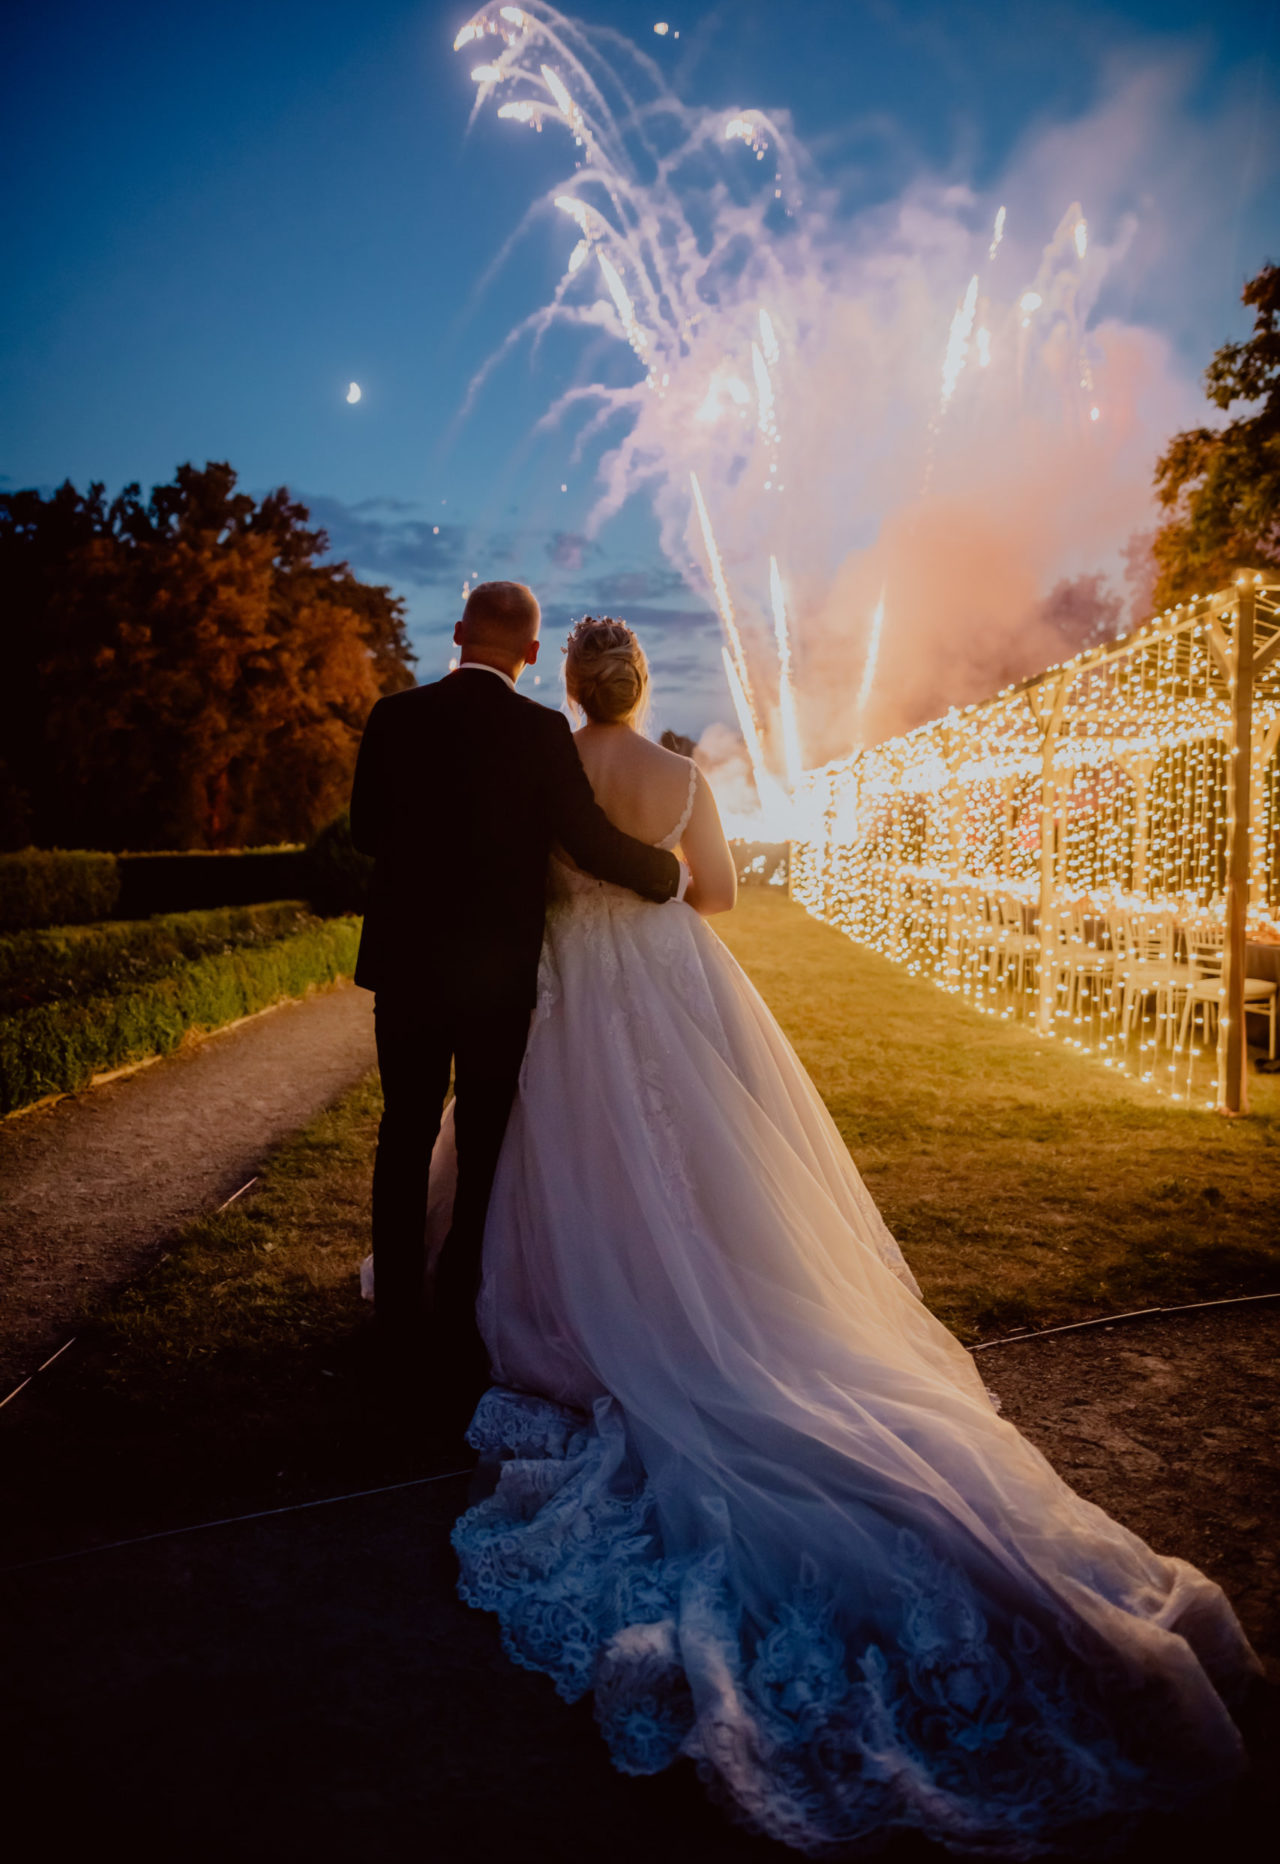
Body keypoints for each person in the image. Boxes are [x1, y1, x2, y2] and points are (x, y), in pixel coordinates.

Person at [443, 614, 1260, 1858]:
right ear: (643, 682)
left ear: (569, 683)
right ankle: (714, 1297)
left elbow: (523, 871)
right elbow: (711, 893)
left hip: (569, 989)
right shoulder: (676, 778)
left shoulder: (554, 760)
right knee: (711, 1174)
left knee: (570, 1161)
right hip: (664, 979)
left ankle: (585, 1310)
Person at [348, 583, 682, 1408]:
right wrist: (665, 872)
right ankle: (460, 1313)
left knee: (404, 1129)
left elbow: (364, 831)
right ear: (533, 656)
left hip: (409, 968)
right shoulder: (538, 732)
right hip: (499, 975)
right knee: (487, 1141)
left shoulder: (394, 716)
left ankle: (397, 1325)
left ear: (459, 633)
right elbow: (587, 839)